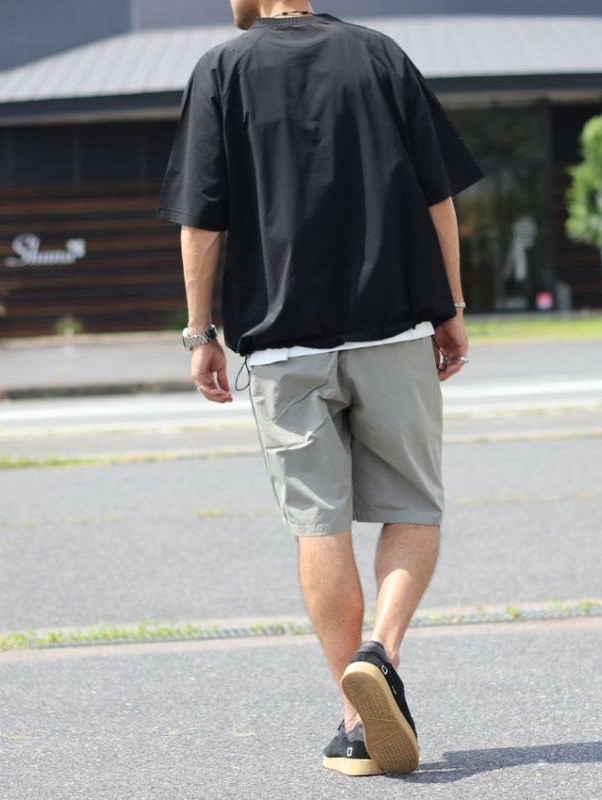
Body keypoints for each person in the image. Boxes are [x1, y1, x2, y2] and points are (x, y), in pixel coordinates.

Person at [155, 1, 485, 777]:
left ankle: (356, 719)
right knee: (413, 504)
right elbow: (438, 196)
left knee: (318, 523)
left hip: (282, 344)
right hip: (394, 327)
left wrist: (200, 333)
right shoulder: (379, 55)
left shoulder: (222, 69)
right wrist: (451, 307)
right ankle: (382, 655)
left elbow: (202, 222)